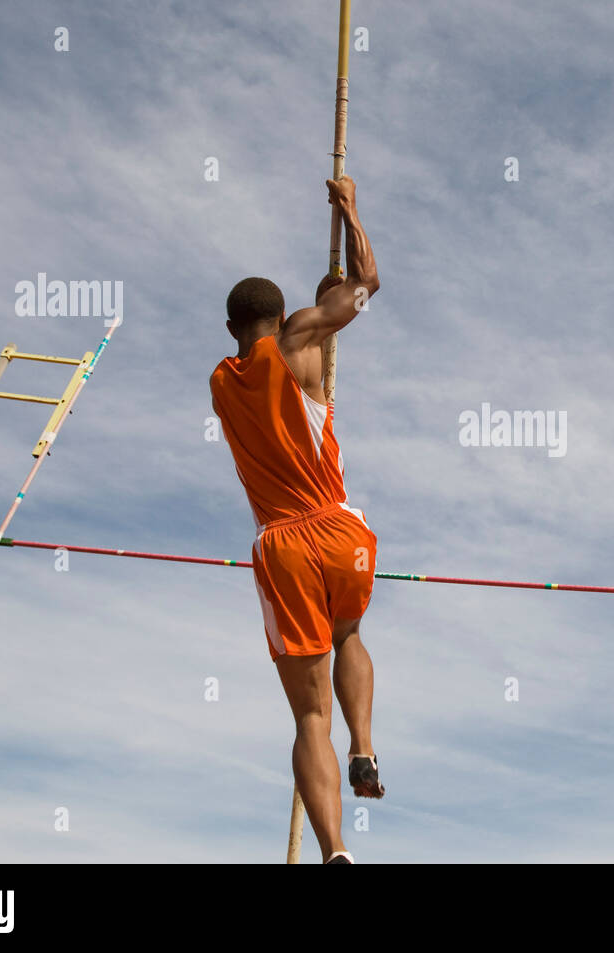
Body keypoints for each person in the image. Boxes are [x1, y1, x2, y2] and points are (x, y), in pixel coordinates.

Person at [209, 176, 383, 864]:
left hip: (282, 543)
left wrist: (320, 306)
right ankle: (364, 746)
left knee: (308, 714)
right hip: (339, 529)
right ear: (286, 315)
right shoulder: (304, 343)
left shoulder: (221, 381)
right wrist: (350, 209)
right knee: (351, 637)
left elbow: (289, 343)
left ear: (231, 328)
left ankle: (335, 850)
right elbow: (367, 282)